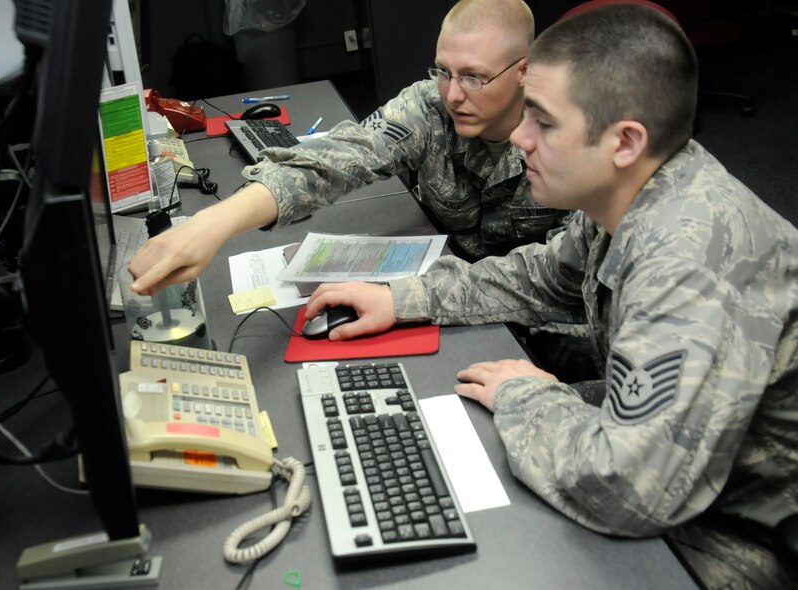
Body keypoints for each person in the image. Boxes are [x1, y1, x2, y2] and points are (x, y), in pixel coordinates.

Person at [302, 5, 798, 589]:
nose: (519, 136)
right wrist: (403, 297)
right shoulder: (632, 192)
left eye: (542, 120)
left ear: (624, 141)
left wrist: (525, 397)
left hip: (748, 526)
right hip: (689, 465)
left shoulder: (688, 260)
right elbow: (539, 277)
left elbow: (629, 491)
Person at [129, 0, 569, 297]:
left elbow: (560, 280)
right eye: (443, 70)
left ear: (523, 72)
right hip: (447, 291)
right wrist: (212, 225)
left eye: (474, 76)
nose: (453, 94)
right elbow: (340, 156)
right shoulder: (432, 105)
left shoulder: (572, 142)